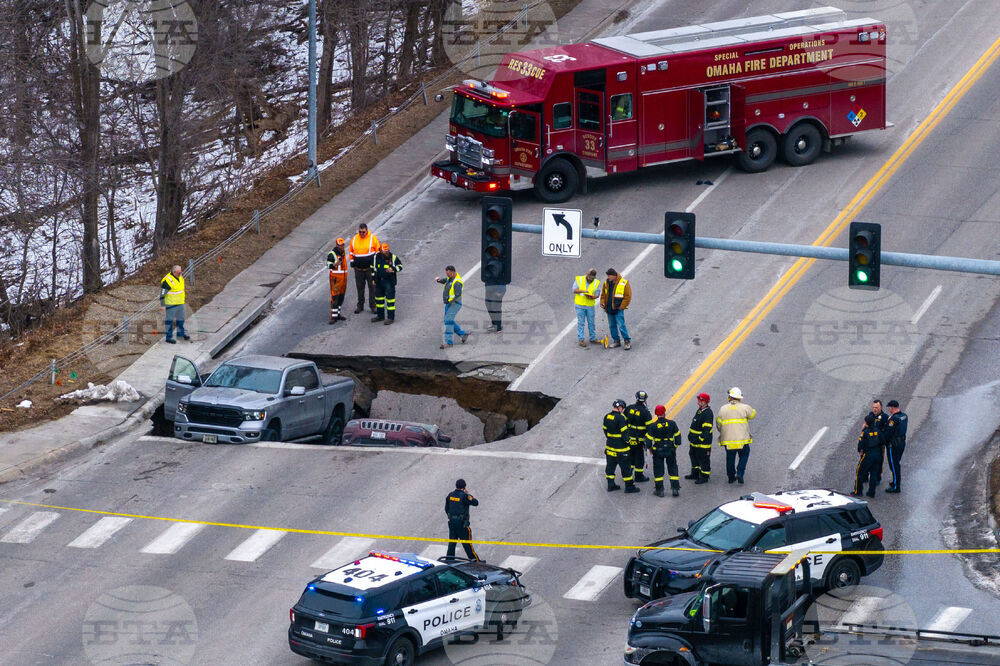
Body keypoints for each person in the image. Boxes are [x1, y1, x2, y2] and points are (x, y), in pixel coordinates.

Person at [716, 387, 756, 484]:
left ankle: (730, 477)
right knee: (744, 454)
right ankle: (740, 473)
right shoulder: (745, 407)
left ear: (730, 397)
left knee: (730, 457)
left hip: (728, 440)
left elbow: (718, 425)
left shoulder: (723, 409)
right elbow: (752, 415)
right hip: (742, 440)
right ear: (739, 398)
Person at [603, 399, 637, 493]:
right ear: (620, 407)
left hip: (610, 448)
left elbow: (605, 430)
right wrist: (629, 442)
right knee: (626, 468)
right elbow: (625, 434)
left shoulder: (607, 416)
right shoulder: (620, 418)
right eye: (622, 408)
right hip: (621, 449)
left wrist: (611, 438)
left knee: (610, 467)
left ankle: (611, 485)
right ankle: (629, 487)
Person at [647, 405, 681, 497]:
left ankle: (660, 491)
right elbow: (678, 438)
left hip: (658, 450)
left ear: (656, 414)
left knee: (658, 471)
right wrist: (675, 447)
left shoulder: (652, 426)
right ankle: (675, 489)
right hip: (670, 449)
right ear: (664, 412)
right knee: (673, 468)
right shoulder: (672, 423)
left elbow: (648, 441)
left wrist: (650, 449)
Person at [348, 223, 381, 314]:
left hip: (370, 269)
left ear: (366, 231)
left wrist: (376, 264)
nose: (361, 233)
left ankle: (373, 306)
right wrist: (352, 261)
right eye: (360, 232)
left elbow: (378, 252)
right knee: (360, 288)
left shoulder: (372, 238)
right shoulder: (354, 239)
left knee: (372, 288)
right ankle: (360, 306)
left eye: (363, 232)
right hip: (358, 269)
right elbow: (351, 251)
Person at [445, 479, 479, 560]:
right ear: (464, 487)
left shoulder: (450, 495)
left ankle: (449, 560)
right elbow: (476, 502)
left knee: (452, 543)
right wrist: (468, 494)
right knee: (467, 544)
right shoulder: (464, 496)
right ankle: (475, 561)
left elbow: (446, 508)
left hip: (452, 523)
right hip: (462, 524)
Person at [436, 265, 468, 349]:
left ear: (453, 272)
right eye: (446, 274)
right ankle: (463, 334)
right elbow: (446, 280)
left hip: (454, 304)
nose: (447, 275)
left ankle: (448, 342)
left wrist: (450, 301)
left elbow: (457, 295)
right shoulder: (450, 278)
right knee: (448, 321)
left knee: (448, 322)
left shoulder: (457, 283)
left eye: (449, 274)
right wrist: (439, 280)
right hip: (449, 304)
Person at [600, 268, 632, 350]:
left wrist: (621, 307)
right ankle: (616, 341)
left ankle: (627, 341)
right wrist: (602, 302)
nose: (608, 277)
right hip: (609, 309)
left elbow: (628, 297)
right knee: (612, 326)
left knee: (621, 325)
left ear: (614, 276)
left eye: (609, 276)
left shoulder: (624, 283)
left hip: (618, 309)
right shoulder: (606, 283)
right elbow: (603, 294)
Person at [625, 391, 653, 482]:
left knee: (630, 457)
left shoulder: (629, 408)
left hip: (629, 438)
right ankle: (638, 476)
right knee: (639, 458)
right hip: (639, 440)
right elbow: (649, 429)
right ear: (645, 400)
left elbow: (623, 422)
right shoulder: (646, 412)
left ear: (636, 398)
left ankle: (628, 474)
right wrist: (648, 443)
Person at [685, 393, 713, 484]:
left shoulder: (708, 413)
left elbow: (706, 429)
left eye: (700, 401)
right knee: (693, 456)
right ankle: (695, 473)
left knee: (703, 459)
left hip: (702, 443)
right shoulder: (700, 410)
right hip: (694, 442)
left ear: (705, 402)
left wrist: (700, 439)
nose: (698, 402)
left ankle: (704, 476)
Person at [853, 413, 883, 498]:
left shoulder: (865, 432)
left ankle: (858, 491)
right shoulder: (878, 431)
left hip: (868, 455)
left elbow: (860, 444)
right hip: (877, 455)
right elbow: (883, 440)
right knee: (873, 473)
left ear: (866, 423)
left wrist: (860, 450)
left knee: (859, 471)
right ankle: (871, 492)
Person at [372, 242, 403, 324]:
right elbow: (373, 268)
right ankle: (380, 316)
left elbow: (400, 266)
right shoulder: (376, 257)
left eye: (387, 251)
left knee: (390, 301)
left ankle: (390, 318)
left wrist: (393, 269)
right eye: (385, 251)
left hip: (389, 282)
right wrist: (373, 279)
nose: (386, 252)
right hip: (379, 281)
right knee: (379, 300)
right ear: (381, 251)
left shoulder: (393, 257)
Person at [159, 265, 189, 344]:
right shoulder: (167, 281)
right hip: (171, 304)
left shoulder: (180, 277)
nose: (181, 273)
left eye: (181, 271)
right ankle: (168, 337)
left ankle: (180, 334)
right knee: (169, 321)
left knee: (181, 320)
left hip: (180, 303)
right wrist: (162, 305)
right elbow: (162, 294)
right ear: (174, 272)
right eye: (179, 272)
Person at [884, 400, 908, 493]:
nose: (889, 409)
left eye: (889, 407)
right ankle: (895, 481)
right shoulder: (904, 416)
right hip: (902, 442)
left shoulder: (893, 419)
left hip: (894, 445)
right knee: (896, 463)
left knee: (894, 465)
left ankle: (896, 486)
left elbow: (888, 432)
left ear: (892, 408)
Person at [573, 269, 601, 347]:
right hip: (580, 305)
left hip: (590, 306)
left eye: (593, 278)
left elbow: (597, 293)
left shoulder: (596, 282)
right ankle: (581, 339)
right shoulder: (579, 279)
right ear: (587, 275)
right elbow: (574, 290)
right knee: (581, 323)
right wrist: (583, 291)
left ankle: (593, 338)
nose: (592, 279)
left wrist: (593, 297)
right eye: (590, 278)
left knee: (591, 323)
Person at [326, 238, 348, 324]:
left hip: (343, 278)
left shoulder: (343, 253)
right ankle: (333, 317)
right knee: (335, 297)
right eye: (341, 245)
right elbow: (328, 265)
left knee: (341, 297)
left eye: (343, 245)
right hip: (335, 278)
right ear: (337, 245)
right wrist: (335, 264)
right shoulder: (332, 254)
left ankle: (338, 314)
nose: (343, 246)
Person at [869, 399, 888, 485]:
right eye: (873, 407)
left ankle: (877, 477)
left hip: (879, 444)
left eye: (876, 407)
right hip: (870, 442)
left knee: (879, 460)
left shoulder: (884, 417)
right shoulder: (871, 415)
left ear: (880, 407)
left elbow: (886, 430)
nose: (874, 409)